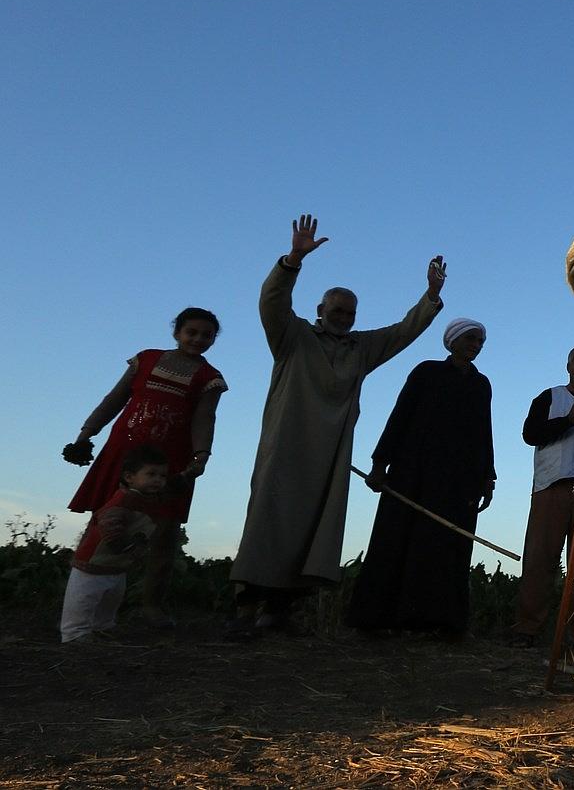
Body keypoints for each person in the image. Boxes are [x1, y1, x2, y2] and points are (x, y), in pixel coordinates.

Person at [228, 215, 444, 637]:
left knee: (314, 527)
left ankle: (282, 610)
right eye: (336, 310)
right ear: (320, 311)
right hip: (285, 447)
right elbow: (272, 301)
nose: (343, 317)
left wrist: (431, 297)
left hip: (330, 455)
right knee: (268, 521)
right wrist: (293, 259)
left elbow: (404, 331)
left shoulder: (361, 348)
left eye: (350, 312)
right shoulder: (293, 337)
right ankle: (246, 607)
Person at [62, 307, 227, 628]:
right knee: (103, 520)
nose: (198, 339)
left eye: (206, 335)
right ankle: (82, 597)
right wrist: (85, 435)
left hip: (171, 464)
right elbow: (115, 399)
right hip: (123, 455)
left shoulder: (210, 379)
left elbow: (204, 418)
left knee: (165, 533)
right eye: (191, 332)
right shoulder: (146, 360)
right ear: (176, 332)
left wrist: (201, 456)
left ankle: (152, 606)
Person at [347, 318, 495, 639]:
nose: (475, 345)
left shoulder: (481, 384)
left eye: (479, 341)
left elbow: (484, 432)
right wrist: (380, 462)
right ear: (453, 341)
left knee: (447, 547)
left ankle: (439, 624)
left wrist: (488, 477)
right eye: (470, 339)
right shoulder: (426, 372)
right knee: (397, 540)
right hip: (413, 474)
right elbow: (400, 416)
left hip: (459, 483)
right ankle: (377, 620)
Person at [509, 345, 574, 648]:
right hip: (552, 486)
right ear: (569, 366)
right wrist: (568, 420)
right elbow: (531, 434)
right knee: (540, 559)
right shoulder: (549, 397)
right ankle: (527, 629)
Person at [60, 445, 177, 642]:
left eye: (162, 476)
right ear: (129, 477)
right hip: (93, 563)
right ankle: (74, 634)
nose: (158, 480)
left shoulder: (147, 500)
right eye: (151, 474)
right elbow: (109, 524)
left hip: (116, 566)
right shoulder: (124, 500)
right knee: (84, 599)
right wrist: (126, 546)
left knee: (110, 601)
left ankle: (102, 627)